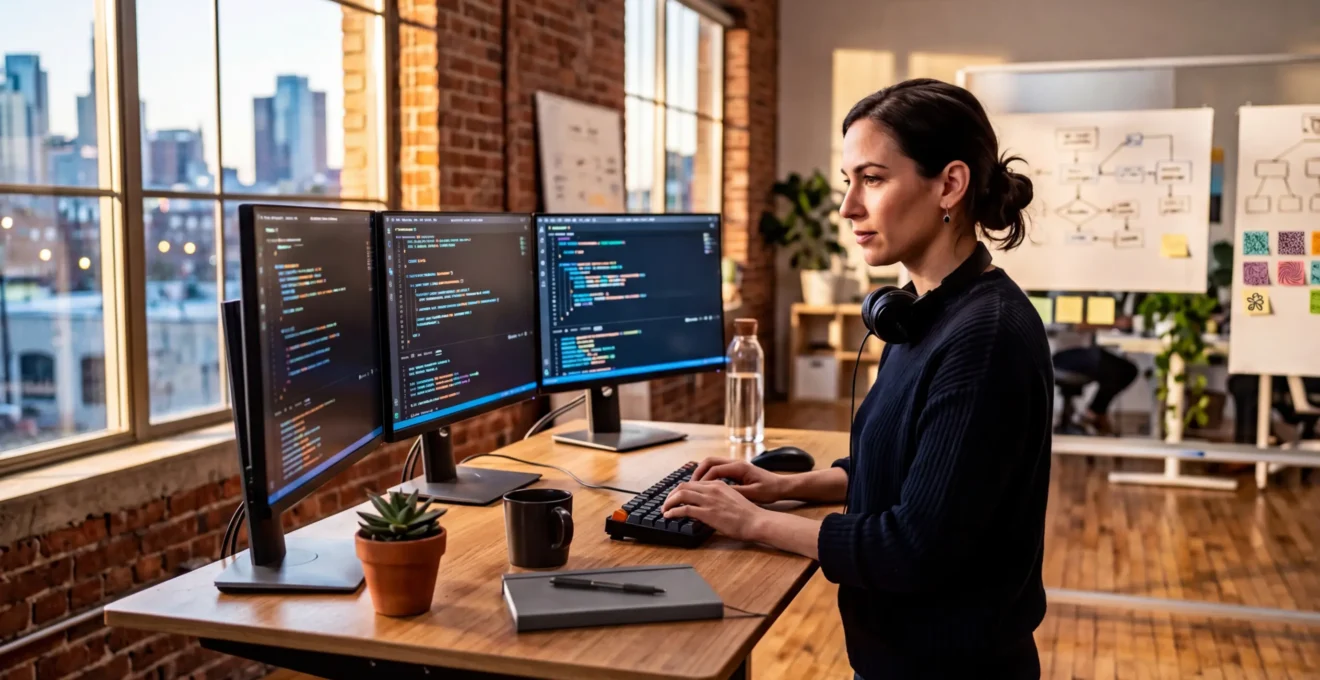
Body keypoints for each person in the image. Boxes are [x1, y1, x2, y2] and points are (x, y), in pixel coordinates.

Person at [661, 78, 1053, 679]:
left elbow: (914, 549)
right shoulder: (920, 312)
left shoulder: (984, 338)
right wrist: (781, 486)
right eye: (850, 181)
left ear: (949, 183)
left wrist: (753, 523)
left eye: (871, 179)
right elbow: (910, 470)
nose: (847, 207)